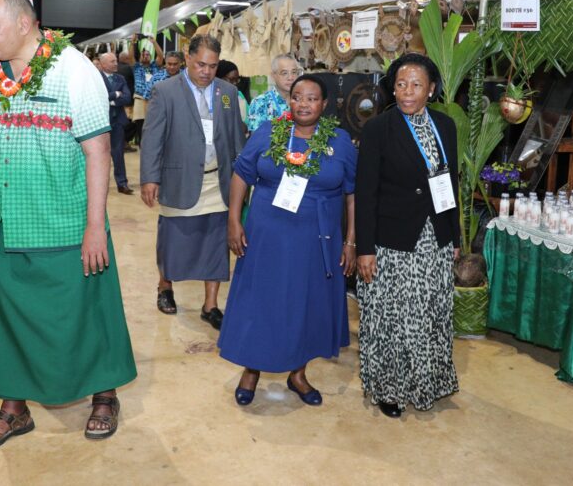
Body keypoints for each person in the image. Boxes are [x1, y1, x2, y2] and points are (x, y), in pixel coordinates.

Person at [0, 0, 136, 453]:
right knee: (4, 317)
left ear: (23, 23)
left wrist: (95, 225)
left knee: (85, 311)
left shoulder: (74, 70)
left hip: (63, 223)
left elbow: (97, 152)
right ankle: (13, 409)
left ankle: (104, 395)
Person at [219, 75, 356, 406]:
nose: (304, 104)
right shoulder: (268, 132)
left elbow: (353, 194)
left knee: (306, 304)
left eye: (311, 98)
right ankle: (252, 369)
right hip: (267, 235)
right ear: (289, 101)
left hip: (316, 238)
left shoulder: (340, 141)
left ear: (324, 105)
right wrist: (234, 220)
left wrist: (351, 240)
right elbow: (241, 175)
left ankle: (298, 374)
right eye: (297, 97)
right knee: (261, 301)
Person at [354, 53, 460, 419]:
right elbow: (365, 193)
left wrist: (455, 235)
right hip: (392, 240)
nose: (407, 92)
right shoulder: (378, 129)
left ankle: (427, 383)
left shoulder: (446, 126)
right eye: (400, 84)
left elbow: (451, 182)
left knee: (430, 312)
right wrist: (365, 248)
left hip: (435, 238)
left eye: (416, 85)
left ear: (431, 89)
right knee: (392, 317)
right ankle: (389, 389)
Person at [139, 35, 245, 329]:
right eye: (201, 64)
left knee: (215, 244)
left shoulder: (226, 93)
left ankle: (210, 305)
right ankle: (165, 287)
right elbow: (152, 139)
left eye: (212, 66)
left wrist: (241, 178)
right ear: (188, 58)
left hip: (217, 180)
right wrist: (149, 177)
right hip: (179, 178)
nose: (206, 71)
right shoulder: (165, 91)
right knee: (174, 240)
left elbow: (236, 137)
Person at [98, 52, 133, 194]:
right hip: (100, 122)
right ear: (103, 64)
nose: (116, 64)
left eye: (116, 61)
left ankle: (122, 184)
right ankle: (99, 185)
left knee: (118, 154)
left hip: (117, 122)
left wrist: (110, 99)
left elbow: (127, 98)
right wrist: (115, 94)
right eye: (112, 61)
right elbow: (99, 97)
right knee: (99, 154)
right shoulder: (96, 78)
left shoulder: (121, 78)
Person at [126, 37, 168, 147]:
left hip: (154, 98)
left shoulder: (155, 66)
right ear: (140, 57)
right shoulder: (137, 67)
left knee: (154, 122)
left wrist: (154, 42)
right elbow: (130, 57)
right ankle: (142, 144)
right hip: (140, 98)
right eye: (143, 55)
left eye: (148, 54)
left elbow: (161, 56)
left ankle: (154, 144)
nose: (146, 56)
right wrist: (132, 42)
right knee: (140, 123)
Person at [247, 53, 300, 132]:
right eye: (284, 73)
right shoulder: (260, 102)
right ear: (273, 76)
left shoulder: (303, 101)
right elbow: (256, 139)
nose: (290, 77)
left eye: (294, 72)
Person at [216, 60, 248, 126]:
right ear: (220, 78)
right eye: (232, 79)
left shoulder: (240, 95)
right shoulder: (213, 97)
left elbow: (248, 119)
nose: (235, 83)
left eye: (237, 80)